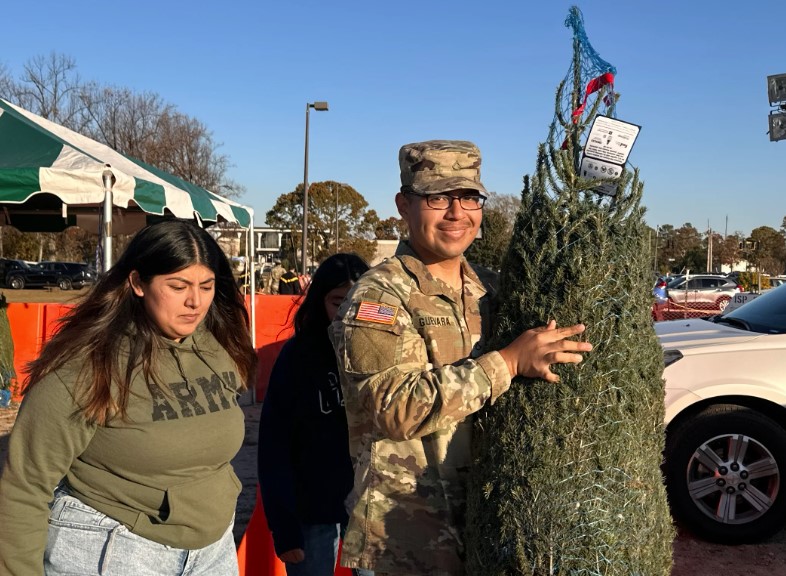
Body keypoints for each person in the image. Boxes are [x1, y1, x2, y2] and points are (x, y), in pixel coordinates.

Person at [330, 140, 593, 575]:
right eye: (438, 197)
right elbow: (393, 408)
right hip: (407, 539)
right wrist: (505, 363)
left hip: (488, 524)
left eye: (469, 197)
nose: (457, 213)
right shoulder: (380, 295)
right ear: (404, 205)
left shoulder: (491, 288)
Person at [0, 219, 257, 575]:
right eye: (178, 285)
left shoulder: (216, 348)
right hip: (115, 548)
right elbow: (25, 485)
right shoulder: (90, 365)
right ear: (138, 283)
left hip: (213, 550)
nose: (195, 301)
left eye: (206, 285)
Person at [258, 253, 372, 576]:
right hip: (312, 510)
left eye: (359, 301)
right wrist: (283, 524)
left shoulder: (384, 354)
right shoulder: (297, 357)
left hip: (370, 507)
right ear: (320, 300)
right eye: (339, 302)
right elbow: (274, 443)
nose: (349, 312)